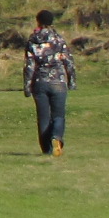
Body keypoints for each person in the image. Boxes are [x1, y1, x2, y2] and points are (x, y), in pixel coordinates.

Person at [21, 9, 75, 156]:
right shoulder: (58, 39)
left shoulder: (32, 40)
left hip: (40, 82)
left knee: (43, 117)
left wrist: (27, 85)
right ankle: (56, 136)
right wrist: (72, 81)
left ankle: (46, 149)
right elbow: (68, 61)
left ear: (38, 21)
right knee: (58, 115)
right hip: (58, 81)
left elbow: (29, 65)